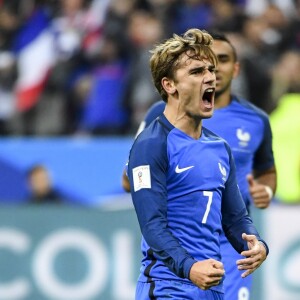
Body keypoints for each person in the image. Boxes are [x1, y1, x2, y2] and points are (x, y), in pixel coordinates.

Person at [123, 31, 276, 299]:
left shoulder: (220, 147)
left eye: (211, 69)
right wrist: (189, 267)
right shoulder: (151, 145)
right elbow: (153, 225)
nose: (210, 77)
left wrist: (255, 242)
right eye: (196, 71)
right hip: (169, 286)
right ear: (170, 85)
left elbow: (235, 217)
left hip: (213, 287)